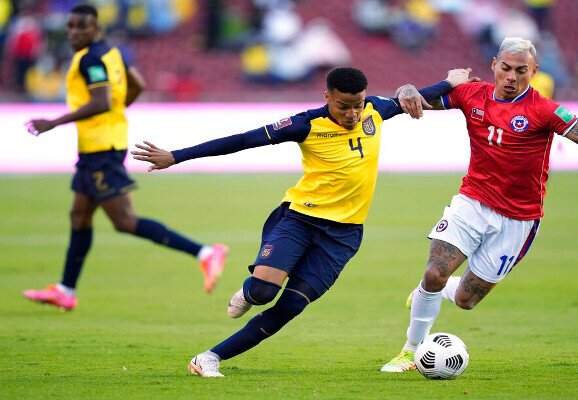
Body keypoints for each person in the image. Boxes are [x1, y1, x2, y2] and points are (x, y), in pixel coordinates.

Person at [131, 66, 476, 377]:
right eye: (344, 106)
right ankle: (249, 291)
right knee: (264, 292)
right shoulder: (305, 124)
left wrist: (450, 81)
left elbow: (417, 95)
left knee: (292, 305)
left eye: (357, 104)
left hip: (343, 236)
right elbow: (241, 141)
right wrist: (176, 156)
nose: (353, 113)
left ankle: (210, 358)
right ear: (327, 97)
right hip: (300, 220)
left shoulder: (376, 110)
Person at [380, 36, 578, 372]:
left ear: (533, 72)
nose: (511, 76)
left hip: (518, 219)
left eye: (521, 71)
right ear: (494, 65)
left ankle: (433, 291)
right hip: (472, 201)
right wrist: (406, 88)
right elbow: (417, 100)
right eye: (505, 68)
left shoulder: (544, 110)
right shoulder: (471, 94)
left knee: (466, 300)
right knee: (434, 272)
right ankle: (411, 349)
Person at [22, 5, 228, 311]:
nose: (74, 32)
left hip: (101, 150)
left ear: (97, 29)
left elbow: (102, 101)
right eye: (70, 27)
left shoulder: (91, 58)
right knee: (79, 216)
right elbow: (137, 85)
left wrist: (53, 122)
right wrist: (117, 112)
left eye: (82, 27)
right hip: (96, 148)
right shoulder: (111, 52)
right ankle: (65, 289)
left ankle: (205, 253)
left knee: (124, 221)